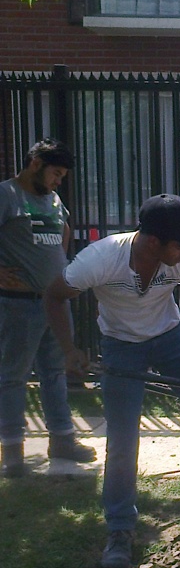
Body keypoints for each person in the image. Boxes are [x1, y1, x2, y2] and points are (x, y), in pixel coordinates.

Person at [44, 193, 180, 568]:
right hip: (120, 345)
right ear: (154, 241)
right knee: (123, 440)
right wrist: (69, 350)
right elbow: (55, 295)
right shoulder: (101, 259)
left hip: (171, 337)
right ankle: (120, 529)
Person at [0, 138, 96, 478]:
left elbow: (64, 231)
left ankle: (63, 439)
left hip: (53, 305)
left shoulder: (53, 200)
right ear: (36, 164)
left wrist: (60, 270)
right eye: (56, 173)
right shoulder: (7, 196)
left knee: (56, 372)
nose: (58, 182)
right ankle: (12, 450)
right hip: (17, 306)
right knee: (12, 377)